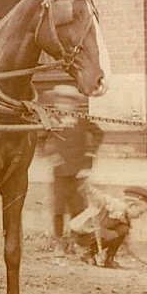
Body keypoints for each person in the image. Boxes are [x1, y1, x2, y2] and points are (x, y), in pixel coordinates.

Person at [41, 84, 102, 245]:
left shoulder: (82, 120)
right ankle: (59, 241)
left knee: (78, 207)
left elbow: (98, 133)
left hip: (78, 170)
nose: (64, 106)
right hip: (60, 171)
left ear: (75, 105)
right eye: (60, 102)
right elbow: (40, 138)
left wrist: (90, 155)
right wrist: (51, 154)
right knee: (59, 208)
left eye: (68, 103)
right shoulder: (51, 120)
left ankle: (76, 240)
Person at [67, 185, 147, 267]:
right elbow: (100, 199)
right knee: (112, 234)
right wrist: (88, 189)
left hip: (95, 234)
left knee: (123, 229)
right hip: (81, 234)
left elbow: (125, 239)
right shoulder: (113, 204)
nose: (139, 216)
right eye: (140, 212)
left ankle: (109, 259)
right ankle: (87, 254)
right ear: (131, 205)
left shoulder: (124, 217)